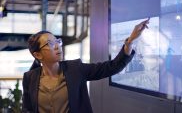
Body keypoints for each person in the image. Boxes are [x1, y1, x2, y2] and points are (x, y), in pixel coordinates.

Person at [22, 19, 150, 113]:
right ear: (38, 55)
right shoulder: (30, 78)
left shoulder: (75, 69)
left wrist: (130, 42)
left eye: (57, 41)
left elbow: (112, 67)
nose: (57, 46)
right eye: (50, 43)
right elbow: (27, 110)